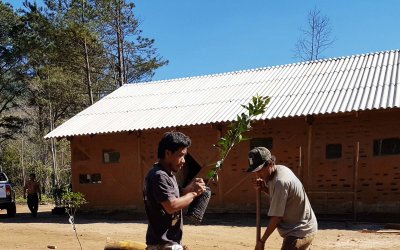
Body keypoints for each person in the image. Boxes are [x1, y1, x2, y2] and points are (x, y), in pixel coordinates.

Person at [143, 131, 206, 250]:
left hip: (169, 242)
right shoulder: (159, 176)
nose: (183, 160)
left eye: (184, 156)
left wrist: (191, 187)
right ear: (167, 153)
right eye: (180, 155)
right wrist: (194, 193)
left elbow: (177, 195)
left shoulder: (167, 174)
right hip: (162, 245)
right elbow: (171, 205)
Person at [247, 147, 317, 250]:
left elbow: (276, 217)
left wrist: (262, 241)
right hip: (298, 226)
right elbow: (280, 196)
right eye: (255, 171)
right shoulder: (277, 171)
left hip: (301, 230)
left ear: (270, 163)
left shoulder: (280, 182)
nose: (258, 175)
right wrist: (264, 188)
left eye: (260, 171)